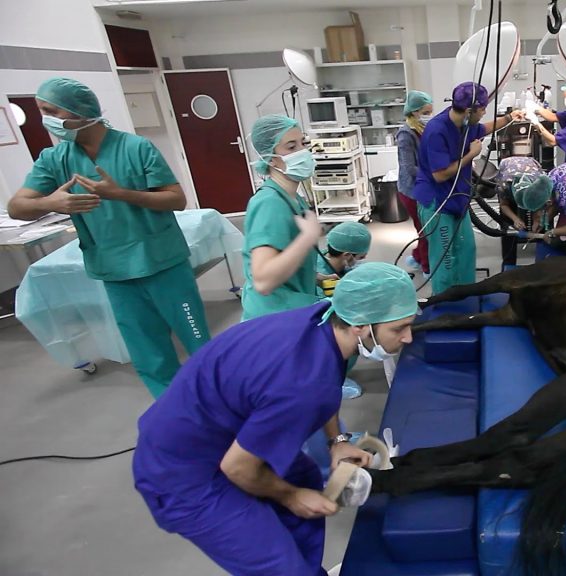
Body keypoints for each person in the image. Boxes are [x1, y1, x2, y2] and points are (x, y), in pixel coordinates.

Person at [133, 262, 419, 576]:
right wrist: (291, 496)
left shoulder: (322, 320)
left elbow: (324, 381)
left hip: (219, 432)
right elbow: (237, 467)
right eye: (398, 328)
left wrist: (336, 441)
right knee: (281, 564)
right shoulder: (303, 385)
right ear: (360, 326)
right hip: (182, 473)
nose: (408, 338)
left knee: (305, 478)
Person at [7, 77, 209, 398]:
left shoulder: (136, 148)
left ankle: (222, 403)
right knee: (148, 353)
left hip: (163, 262)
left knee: (198, 341)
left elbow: (175, 199)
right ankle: (175, 415)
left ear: (78, 111)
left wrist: (122, 194)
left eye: (51, 110)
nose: (44, 118)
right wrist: (50, 203)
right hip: (115, 271)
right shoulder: (54, 159)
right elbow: (17, 207)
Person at [412, 82, 523, 294]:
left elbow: (484, 128)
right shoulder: (437, 130)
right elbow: (440, 174)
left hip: (457, 198)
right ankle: (444, 303)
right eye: (482, 110)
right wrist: (471, 155)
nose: (483, 113)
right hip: (438, 202)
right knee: (445, 259)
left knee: (466, 251)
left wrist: (510, 118)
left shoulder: (464, 123)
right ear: (470, 110)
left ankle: (464, 298)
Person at [241, 114, 321, 322]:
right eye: (291, 147)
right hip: (272, 318)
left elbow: (289, 260)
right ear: (269, 157)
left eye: (303, 143)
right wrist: (307, 238)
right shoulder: (270, 203)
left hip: (293, 304)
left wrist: (319, 279)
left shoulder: (292, 198)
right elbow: (263, 281)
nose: (302, 152)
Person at [316, 221, 372, 400]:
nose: (361, 261)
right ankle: (332, 378)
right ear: (347, 255)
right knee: (348, 332)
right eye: (360, 257)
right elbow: (321, 310)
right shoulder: (319, 273)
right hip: (318, 325)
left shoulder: (333, 261)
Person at [397, 90, 433, 275]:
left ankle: (417, 258)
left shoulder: (423, 129)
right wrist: (436, 173)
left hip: (424, 185)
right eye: (425, 113)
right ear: (413, 112)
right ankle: (427, 267)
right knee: (426, 230)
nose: (429, 117)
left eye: (430, 112)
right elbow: (409, 167)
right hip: (411, 191)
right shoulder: (406, 134)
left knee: (423, 227)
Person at [495, 156, 546, 267]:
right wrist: (515, 219)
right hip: (508, 169)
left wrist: (537, 219)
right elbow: (504, 205)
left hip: (530, 169)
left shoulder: (539, 183)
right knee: (508, 226)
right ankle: (509, 263)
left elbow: (541, 203)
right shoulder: (504, 185)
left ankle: (544, 261)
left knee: (544, 224)